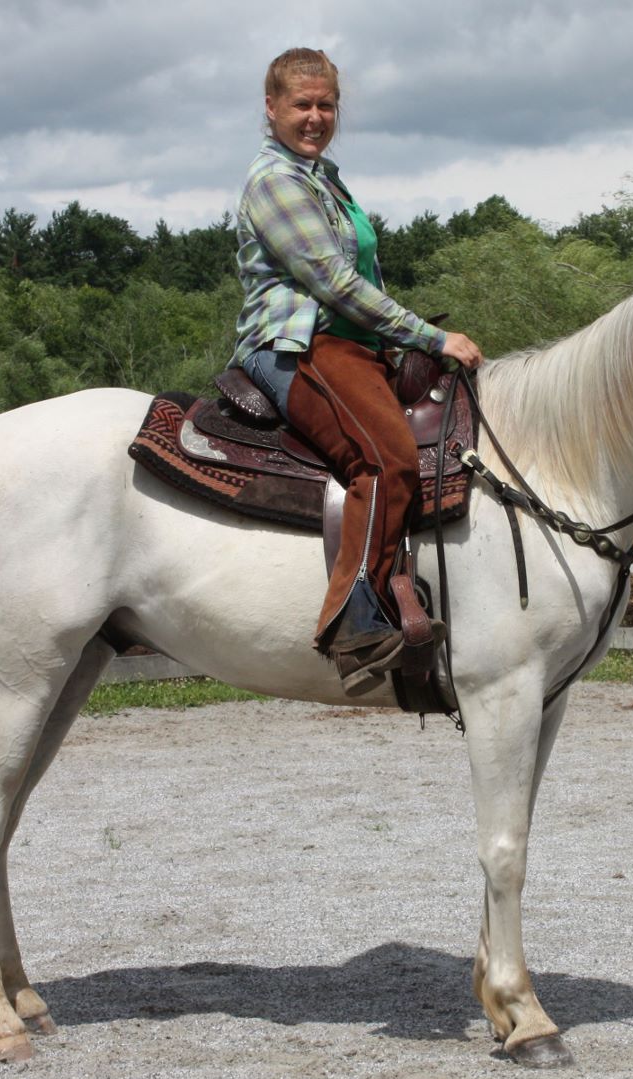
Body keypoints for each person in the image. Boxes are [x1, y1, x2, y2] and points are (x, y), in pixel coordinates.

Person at [233, 47, 482, 696]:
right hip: (300, 345)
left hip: (348, 345)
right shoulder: (275, 181)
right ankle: (354, 623)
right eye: (301, 105)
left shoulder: (322, 178)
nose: (315, 117)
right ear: (271, 108)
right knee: (384, 459)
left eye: (326, 105)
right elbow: (333, 283)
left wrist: (394, 345)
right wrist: (429, 335)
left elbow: (359, 281)